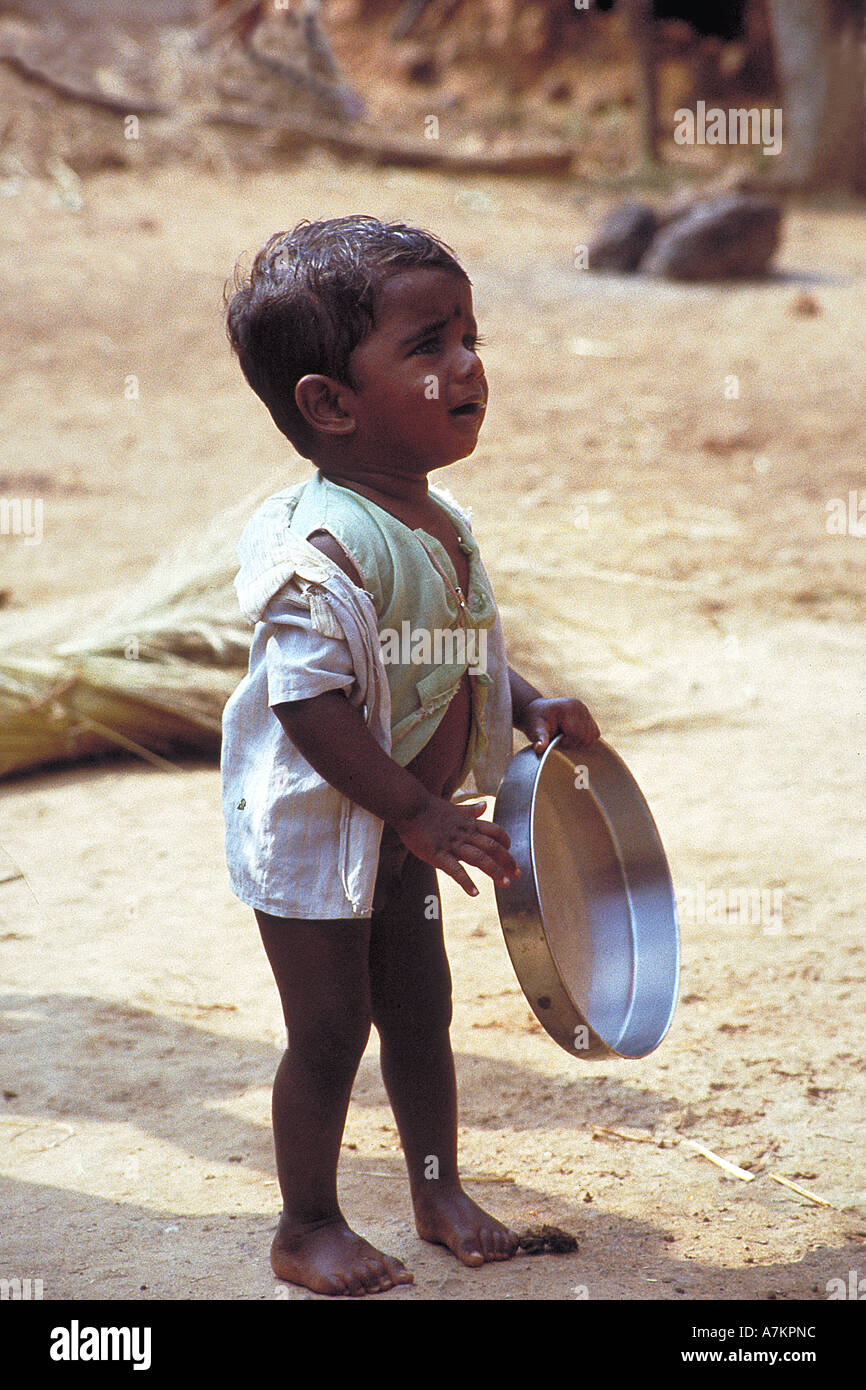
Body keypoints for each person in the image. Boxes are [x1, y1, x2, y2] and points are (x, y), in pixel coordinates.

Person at [220, 216, 600, 1296]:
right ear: (330, 404)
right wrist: (416, 811)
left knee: (421, 1012)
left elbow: (456, 643)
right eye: (427, 345)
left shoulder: (439, 518)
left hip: (400, 832)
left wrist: (529, 704)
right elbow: (307, 705)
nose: (468, 363)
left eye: (469, 335)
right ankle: (306, 1224)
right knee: (330, 1029)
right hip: (316, 834)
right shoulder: (322, 548)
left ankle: (436, 1189)